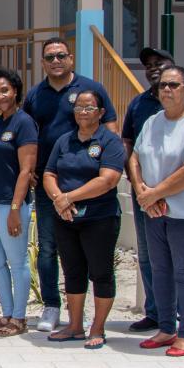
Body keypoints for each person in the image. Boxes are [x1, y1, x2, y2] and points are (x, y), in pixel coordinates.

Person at [23, 37, 117, 333]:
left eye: (61, 56)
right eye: (49, 57)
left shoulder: (91, 90)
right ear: (42, 62)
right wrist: (32, 171)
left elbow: (111, 129)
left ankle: (90, 318)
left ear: (71, 59)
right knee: (49, 249)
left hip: (91, 188)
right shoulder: (36, 95)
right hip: (50, 185)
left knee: (92, 257)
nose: (55, 61)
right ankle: (52, 305)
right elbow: (28, 134)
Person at [121, 46, 184, 333]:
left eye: (173, 84)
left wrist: (155, 193)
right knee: (158, 269)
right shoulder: (149, 118)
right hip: (151, 207)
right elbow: (134, 155)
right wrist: (141, 191)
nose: (166, 89)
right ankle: (164, 327)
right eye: (162, 86)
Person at [40, 89, 125, 350]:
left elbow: (108, 180)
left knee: (100, 273)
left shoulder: (110, 142)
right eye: (78, 108)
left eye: (89, 108)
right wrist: (59, 199)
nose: (83, 112)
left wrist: (69, 197)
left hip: (100, 216)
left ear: (100, 113)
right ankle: (75, 326)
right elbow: (49, 173)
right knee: (72, 271)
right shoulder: (65, 141)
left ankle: (97, 328)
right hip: (66, 217)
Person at [0, 68, 38, 337]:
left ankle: (20, 317)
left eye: (4, 90)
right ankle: (6, 314)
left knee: (17, 262)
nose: (0, 95)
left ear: (15, 91)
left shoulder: (24, 123)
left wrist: (15, 208)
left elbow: (26, 170)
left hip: (11, 204)